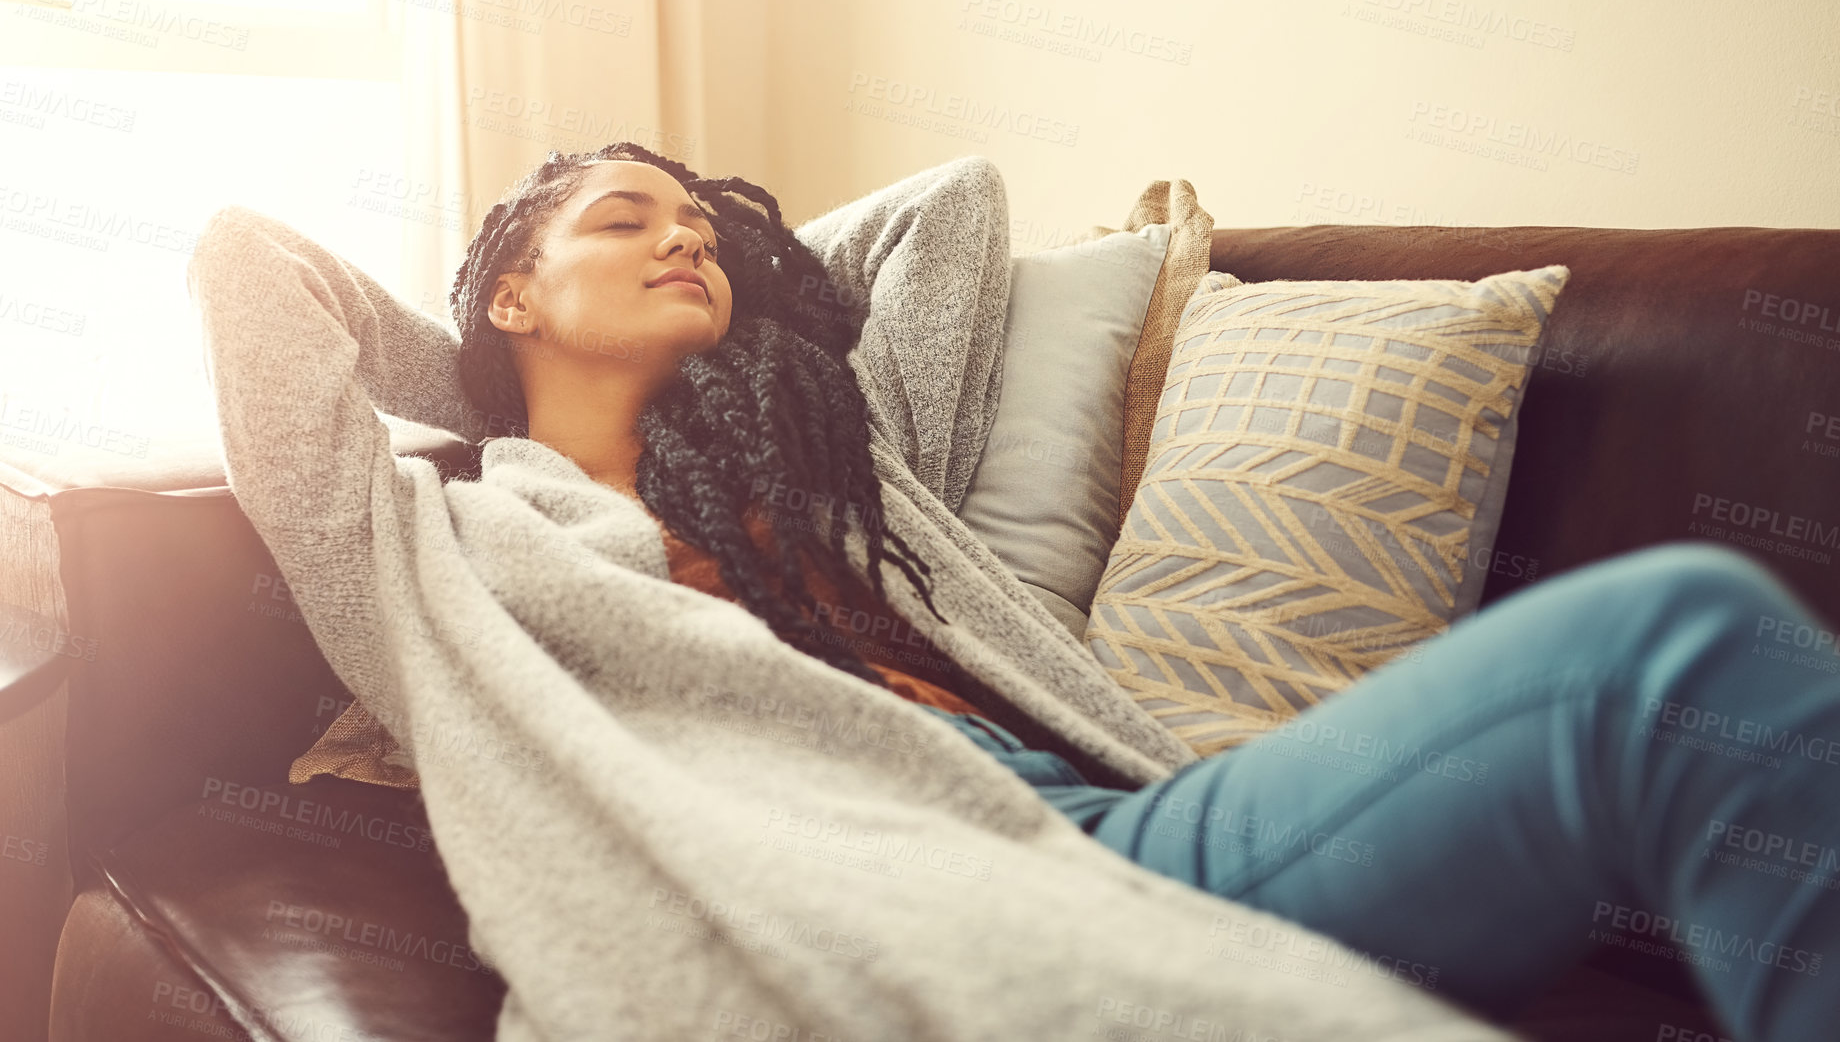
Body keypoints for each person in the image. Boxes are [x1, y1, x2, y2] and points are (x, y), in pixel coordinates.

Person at [194, 142, 1839, 1042]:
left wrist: (706, 266)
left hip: (1139, 837)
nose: (687, 237)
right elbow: (245, 258)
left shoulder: (841, 454)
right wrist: (485, 359)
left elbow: (954, 205)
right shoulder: (432, 546)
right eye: (630, 221)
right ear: (511, 292)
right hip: (868, 891)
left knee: (1671, 641)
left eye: (705, 225)